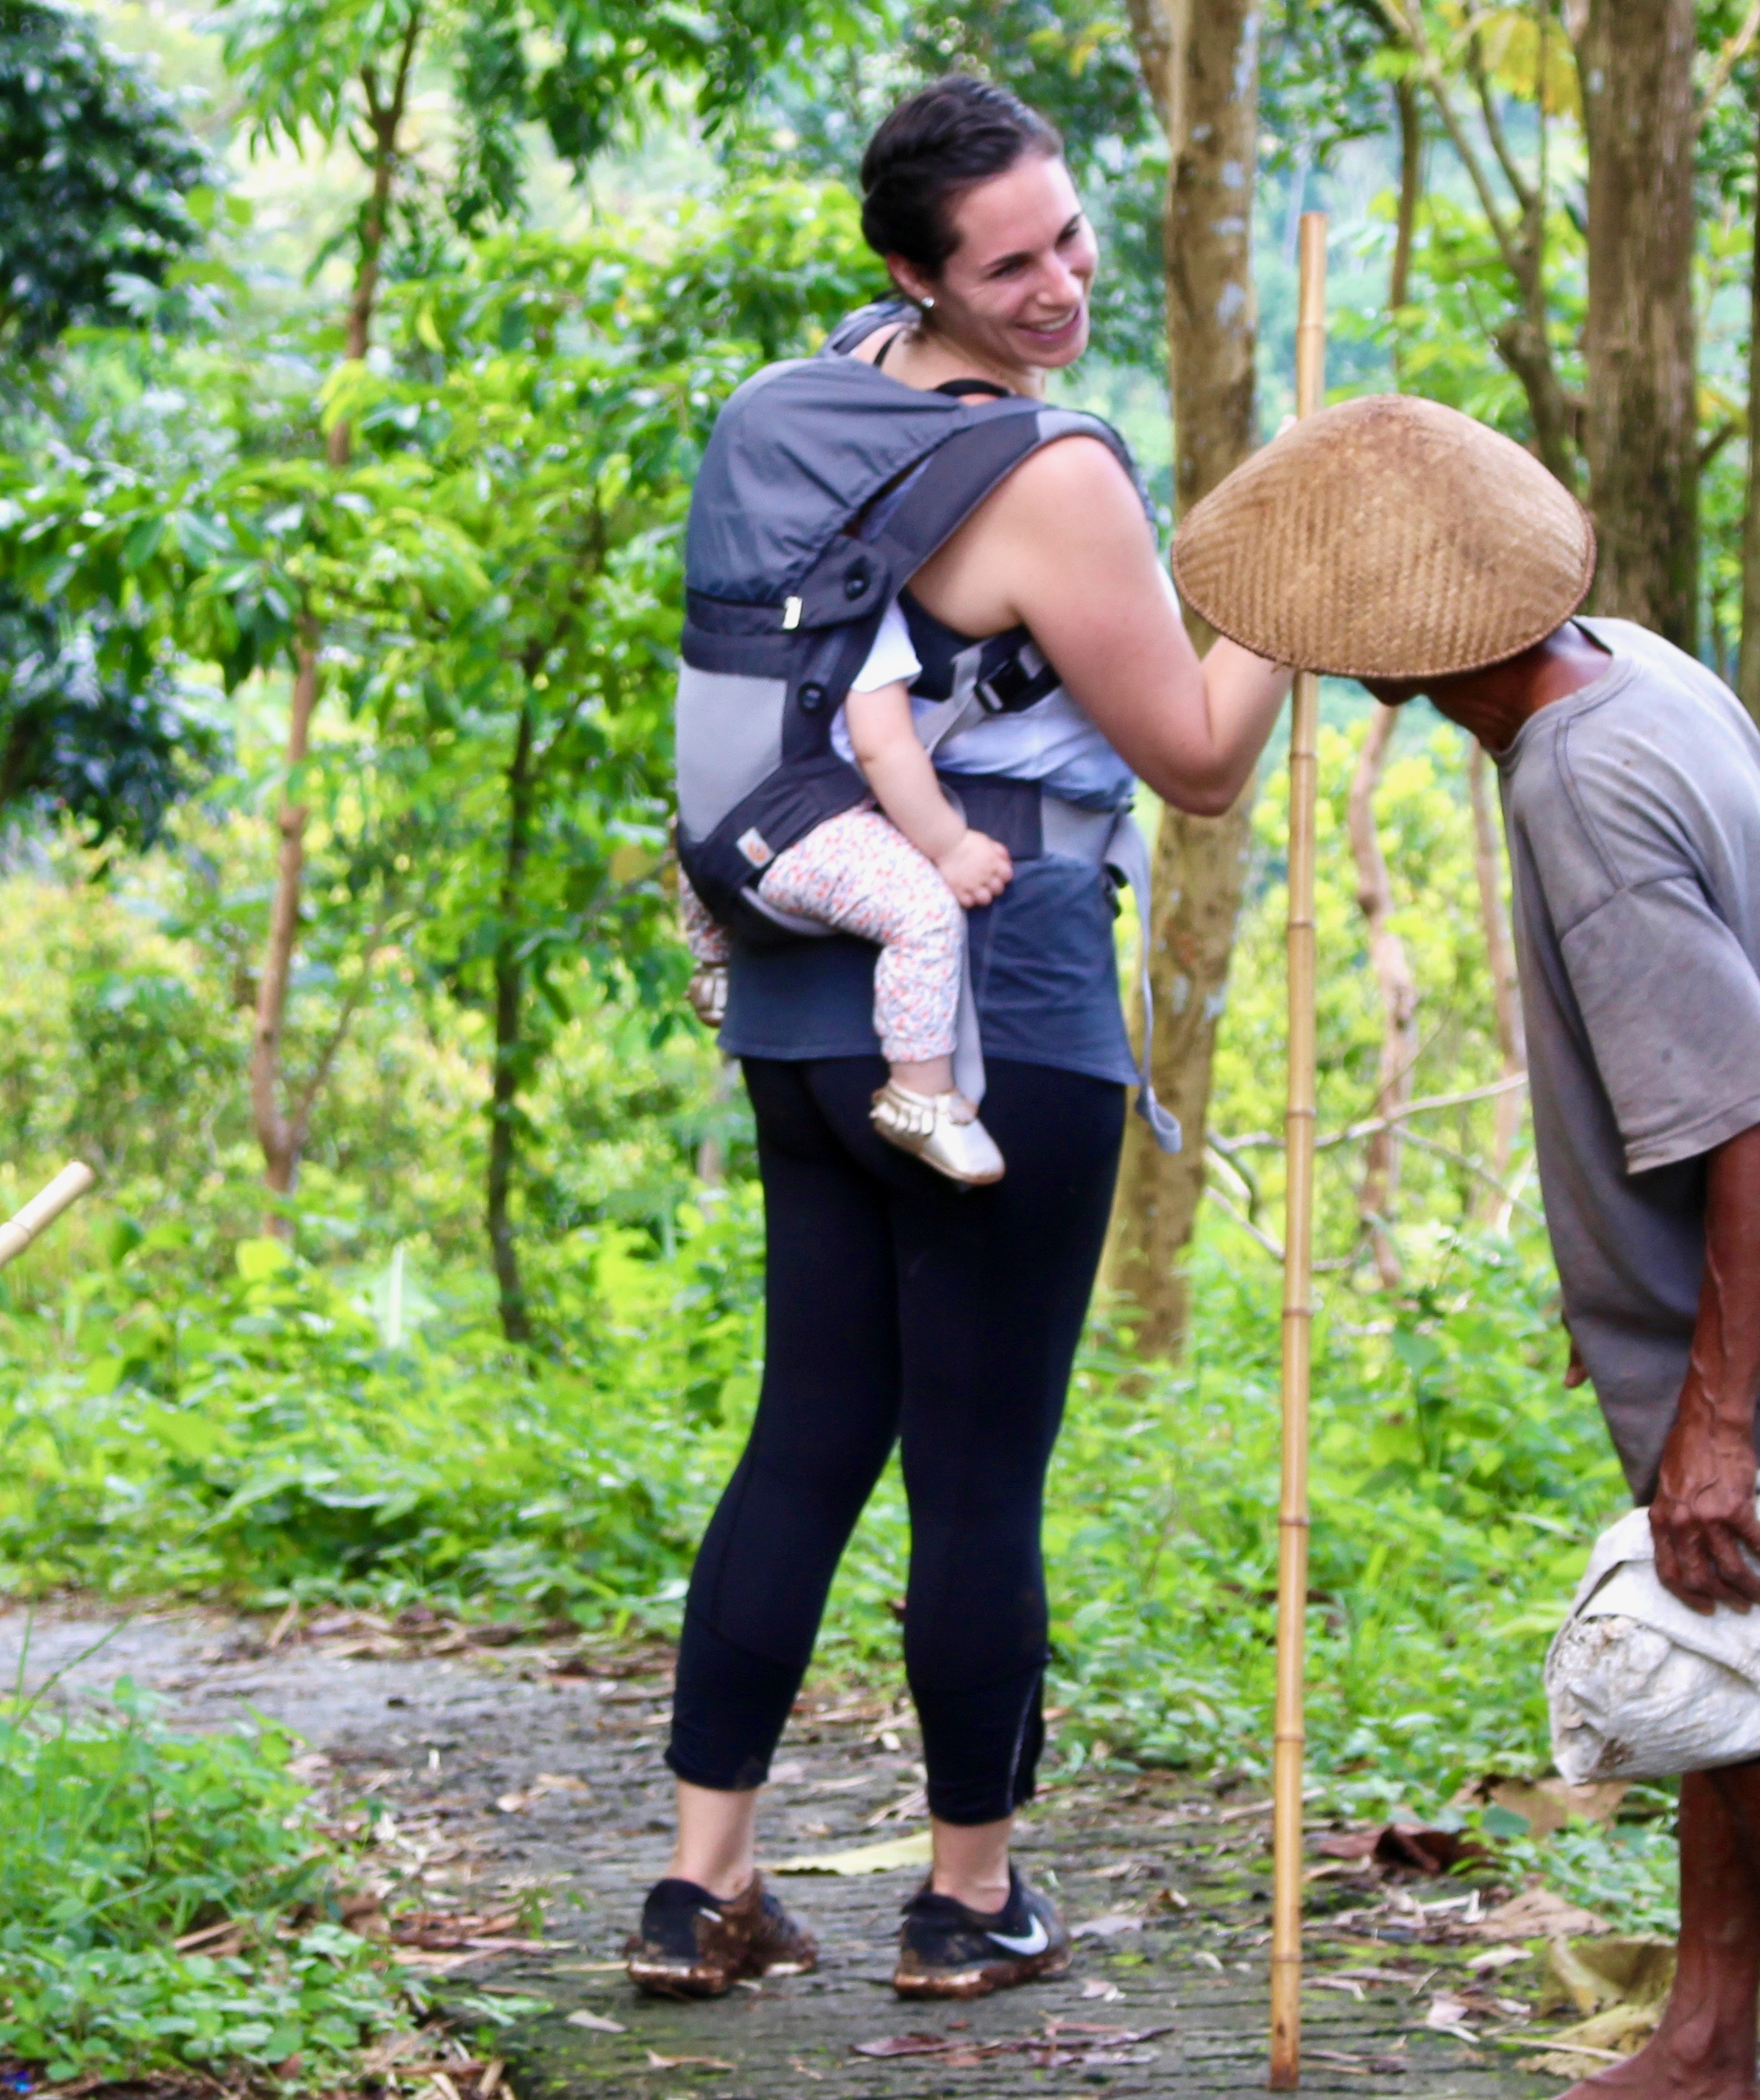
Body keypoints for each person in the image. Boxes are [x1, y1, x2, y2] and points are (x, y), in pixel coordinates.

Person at [1168, 395, 1760, 2100]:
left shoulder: (1579, 779)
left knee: (1751, 1697)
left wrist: (1716, 1407)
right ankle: (1704, 2041)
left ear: (1390, 664)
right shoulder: (1624, 661)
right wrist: (1635, 1295)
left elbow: (1755, 1116)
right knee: (1725, 1666)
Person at [625, 76, 1291, 2003]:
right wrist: (1301, 588)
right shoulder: (1054, 473)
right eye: (1011, 266)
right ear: (919, 270)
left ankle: (700, 1886)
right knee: (979, 1465)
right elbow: (1199, 760)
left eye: (1070, 237)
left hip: (803, 988)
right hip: (1000, 1003)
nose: (1062, 284)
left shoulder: (806, 398)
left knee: (809, 1429)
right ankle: (967, 1894)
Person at [678, 602, 1015, 1188]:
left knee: (692, 822)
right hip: (801, 832)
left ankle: (714, 969)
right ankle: (920, 1097)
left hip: (713, 833)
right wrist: (951, 846)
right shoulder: (860, 605)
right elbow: (880, 745)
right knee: (923, 912)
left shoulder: (739, 596)